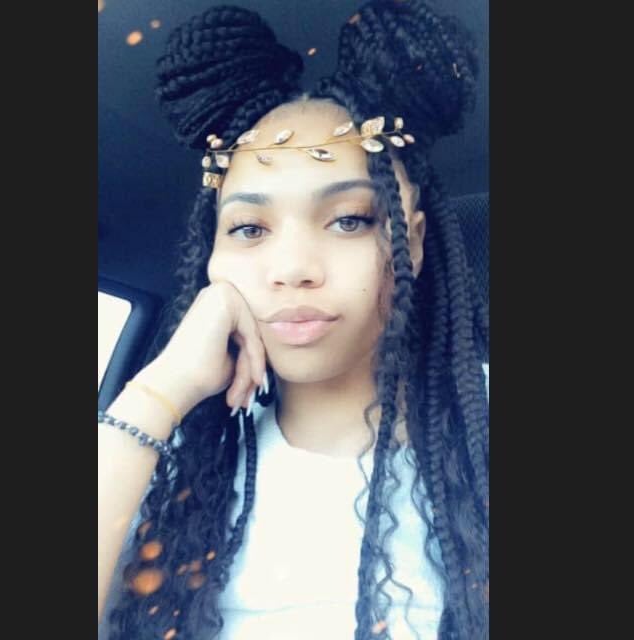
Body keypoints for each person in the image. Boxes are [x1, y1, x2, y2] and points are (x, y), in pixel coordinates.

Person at [98, 1, 489, 639]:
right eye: (249, 229)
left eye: (349, 220)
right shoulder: (165, 465)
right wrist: (159, 391)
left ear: (412, 242)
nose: (292, 269)